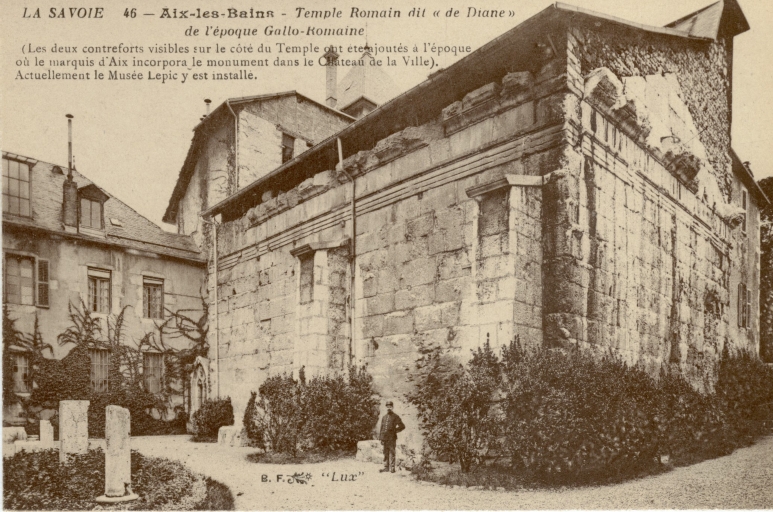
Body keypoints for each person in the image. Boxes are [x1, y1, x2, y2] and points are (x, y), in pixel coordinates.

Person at [378, 400, 405, 473]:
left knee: (392, 452)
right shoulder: (384, 417)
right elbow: (382, 428)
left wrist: (395, 430)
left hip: (392, 437)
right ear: (386, 407)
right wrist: (381, 438)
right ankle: (386, 467)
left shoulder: (395, 416)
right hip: (385, 438)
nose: (389, 408)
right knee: (385, 452)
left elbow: (402, 426)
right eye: (387, 406)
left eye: (390, 406)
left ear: (392, 407)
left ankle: (392, 468)